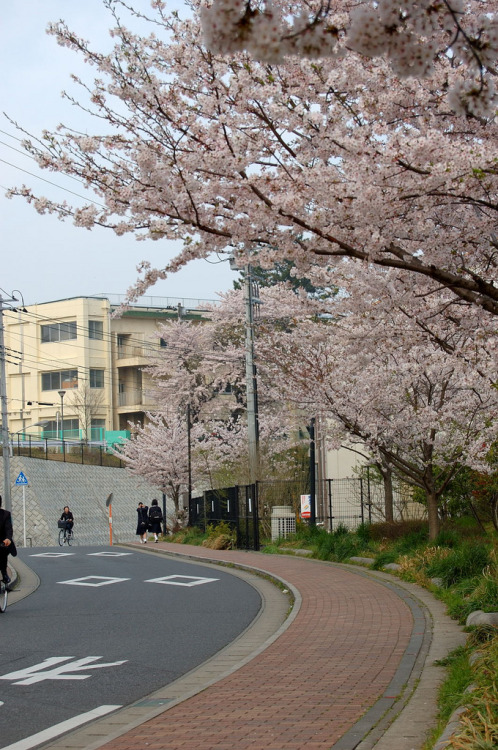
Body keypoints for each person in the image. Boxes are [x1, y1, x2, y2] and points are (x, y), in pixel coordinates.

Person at [0, 495, 17, 586]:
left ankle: (4, 573)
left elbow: (8, 529)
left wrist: (8, 538)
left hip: (1, 542)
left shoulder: (5, 514)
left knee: (3, 553)